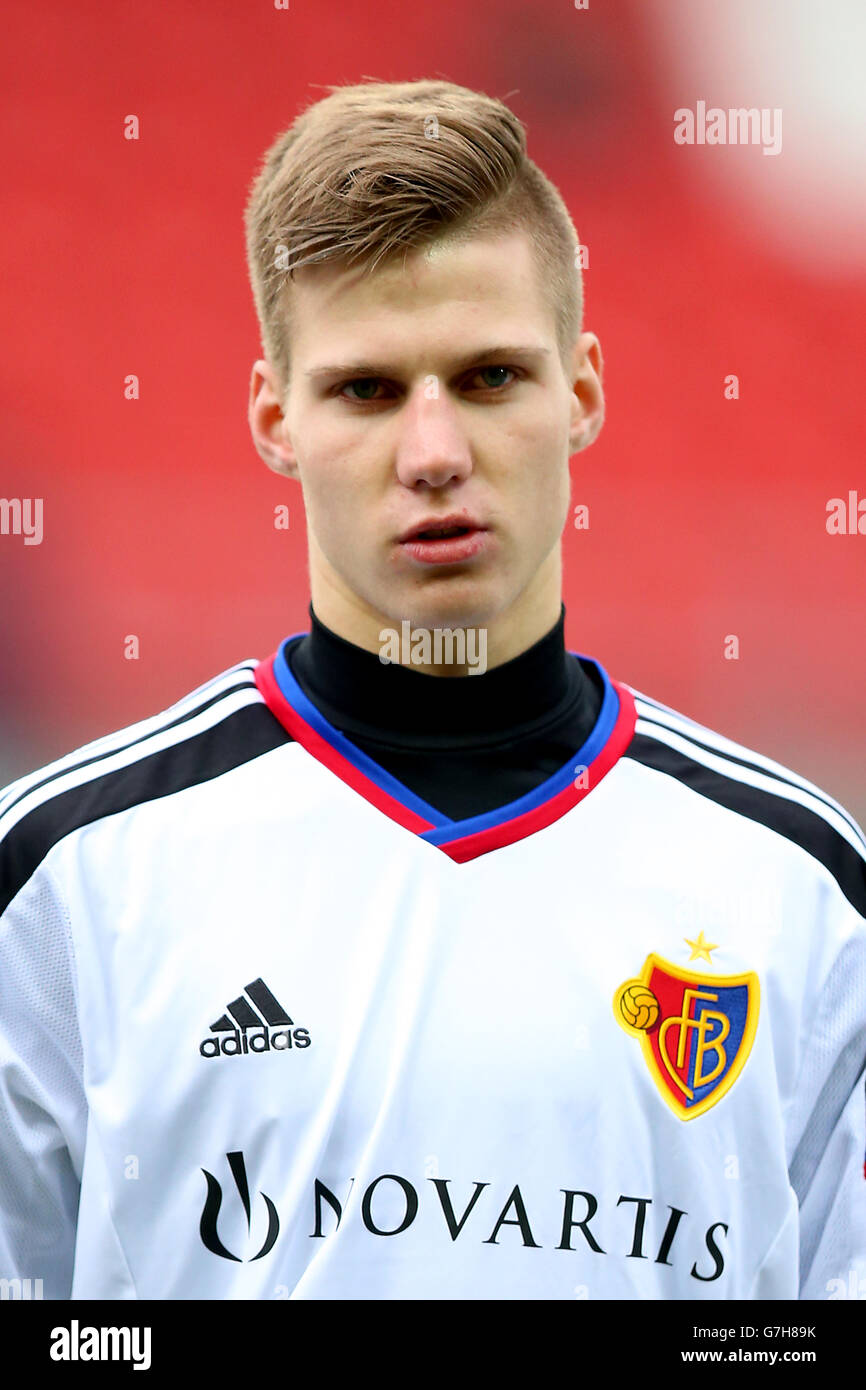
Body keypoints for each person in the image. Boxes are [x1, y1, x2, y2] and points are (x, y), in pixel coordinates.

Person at [0, 77, 864, 1301]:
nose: (433, 454)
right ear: (272, 416)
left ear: (582, 390)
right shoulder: (64, 890)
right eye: (365, 389)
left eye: (489, 377)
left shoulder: (803, 895)